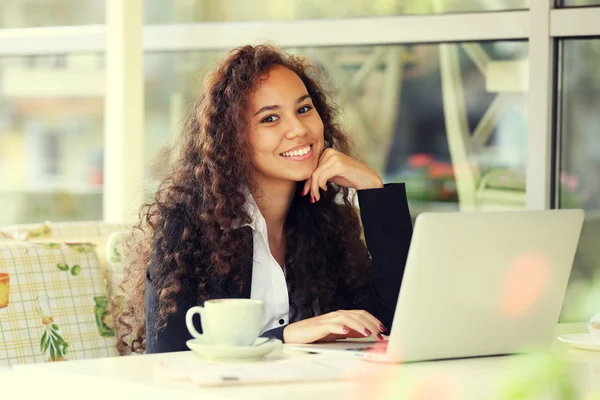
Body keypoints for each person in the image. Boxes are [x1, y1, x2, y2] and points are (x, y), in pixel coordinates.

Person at [117, 44, 413, 354]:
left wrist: (372, 190)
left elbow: (388, 324)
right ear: (232, 139)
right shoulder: (187, 227)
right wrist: (283, 337)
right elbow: (168, 355)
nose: (298, 129)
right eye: (270, 119)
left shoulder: (326, 221)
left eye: (303, 109)